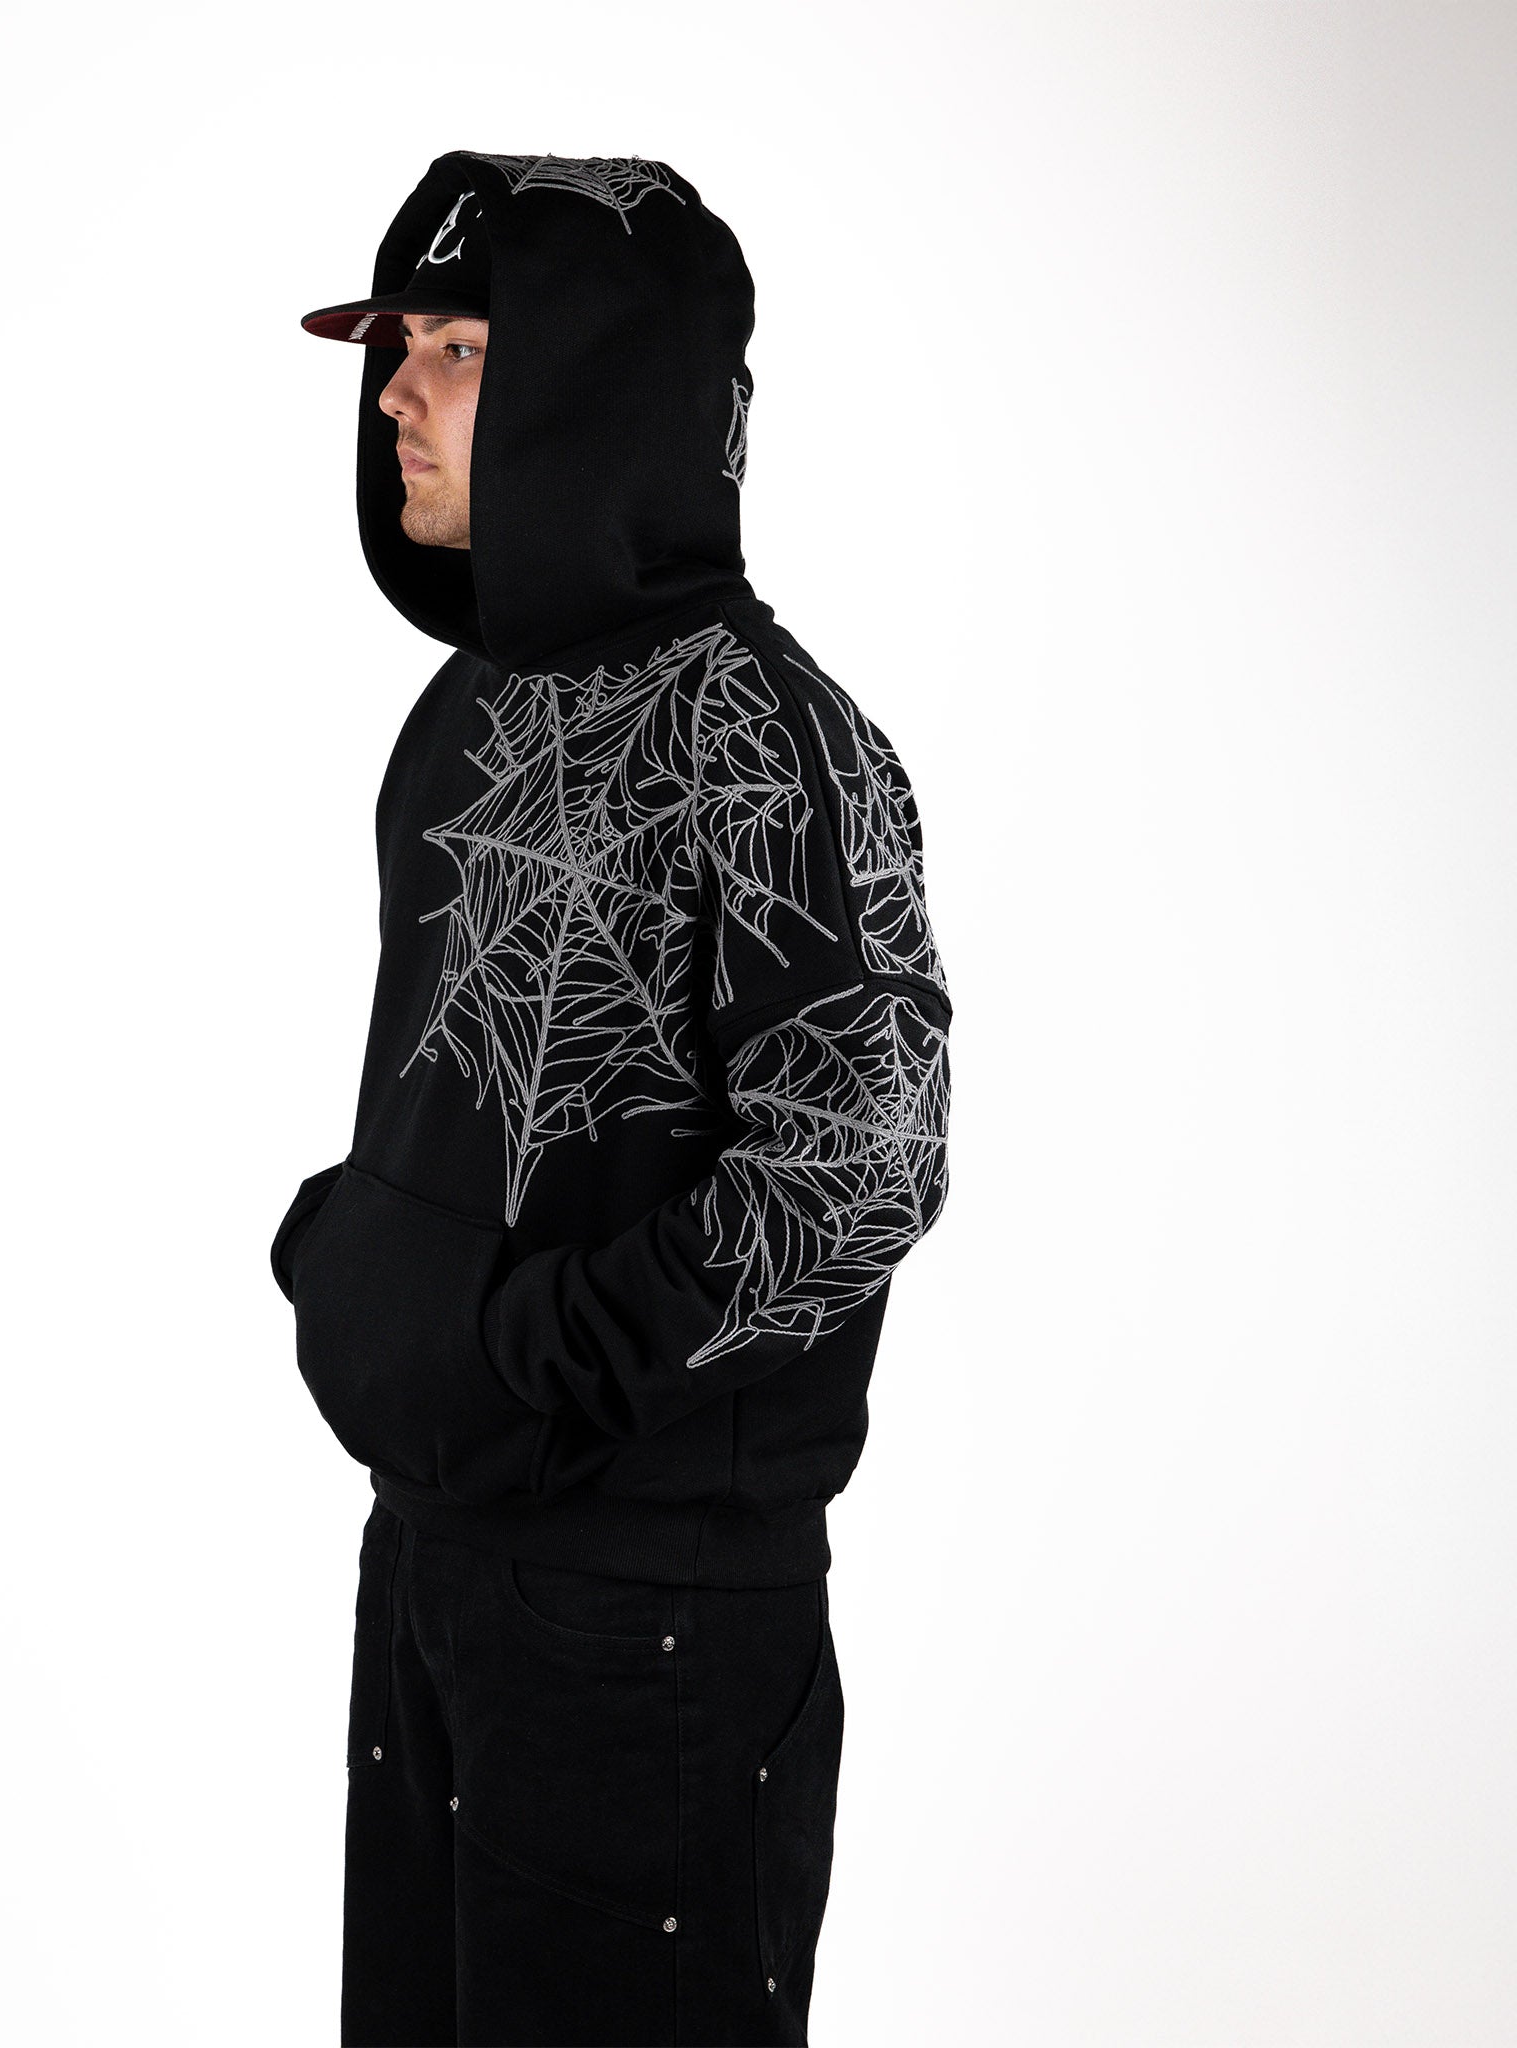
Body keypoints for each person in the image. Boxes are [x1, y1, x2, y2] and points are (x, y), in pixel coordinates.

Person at [272, 150, 953, 2047]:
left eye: (460, 351)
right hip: (431, 1562)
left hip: (647, 1619)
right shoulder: (468, 708)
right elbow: (451, 1093)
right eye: (397, 344)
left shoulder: (779, 742)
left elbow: (862, 1164)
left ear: (600, 388)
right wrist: (354, 1264)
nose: (396, 393)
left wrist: (531, 1354)